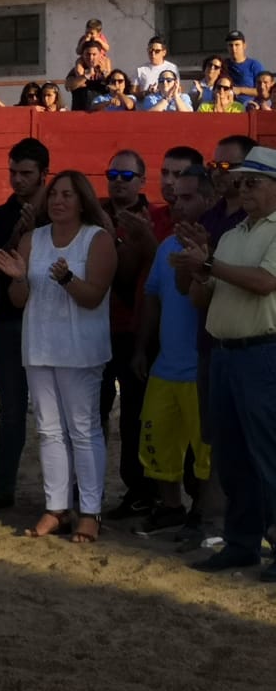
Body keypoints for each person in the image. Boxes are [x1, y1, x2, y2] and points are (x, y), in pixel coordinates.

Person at [0, 171, 116, 543]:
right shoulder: (33, 239)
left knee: (83, 429)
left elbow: (93, 296)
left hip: (80, 349)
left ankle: (91, 511)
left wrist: (66, 279)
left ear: (83, 201)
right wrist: (17, 278)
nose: (58, 201)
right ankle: (57, 507)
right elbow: (19, 300)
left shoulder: (97, 240)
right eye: (54, 195)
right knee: (48, 430)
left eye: (67, 195)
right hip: (40, 344)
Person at [178, 145, 276, 576]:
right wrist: (200, 272)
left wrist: (211, 264)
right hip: (226, 352)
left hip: (262, 351)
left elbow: (264, 283)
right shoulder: (234, 233)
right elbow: (202, 297)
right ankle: (242, 542)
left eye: (253, 181)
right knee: (232, 457)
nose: (243, 188)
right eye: (241, 181)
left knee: (267, 455)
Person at [131, 164, 212, 538]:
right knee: (158, 440)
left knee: (208, 451)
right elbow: (153, 300)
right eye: (176, 197)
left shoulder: (219, 244)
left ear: (209, 200)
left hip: (202, 365)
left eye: (189, 197)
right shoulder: (166, 245)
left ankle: (206, 516)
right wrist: (142, 349)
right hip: (167, 364)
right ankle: (172, 507)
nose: (178, 205)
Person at [0, 138, 49, 512]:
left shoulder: (61, 213)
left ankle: (61, 495)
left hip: (49, 323)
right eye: (13, 172)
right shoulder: (0, 215)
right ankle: (3, 487)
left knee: (53, 414)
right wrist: (18, 234)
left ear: (44, 174)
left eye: (26, 173)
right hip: (11, 322)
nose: (17, 180)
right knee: (11, 411)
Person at [100, 152, 158, 519]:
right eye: (112, 174)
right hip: (97, 331)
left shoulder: (158, 220)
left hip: (138, 330)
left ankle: (139, 490)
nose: (118, 181)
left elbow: (131, 277)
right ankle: (86, 490)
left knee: (135, 415)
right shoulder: (95, 216)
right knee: (94, 413)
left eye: (126, 175)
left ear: (142, 180)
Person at [65, 39, 109, 112]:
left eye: (94, 54)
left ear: (100, 55)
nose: (91, 58)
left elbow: (116, 88)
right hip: (80, 116)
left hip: (101, 116)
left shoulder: (106, 70)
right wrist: (85, 76)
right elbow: (68, 86)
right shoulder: (77, 70)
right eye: (88, 54)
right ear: (83, 55)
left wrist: (105, 73)